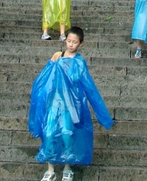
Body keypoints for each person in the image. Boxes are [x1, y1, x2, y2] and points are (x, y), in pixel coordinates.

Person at [29, 26, 113, 181]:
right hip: (54, 102)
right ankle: (50, 169)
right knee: (49, 133)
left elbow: (88, 86)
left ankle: (67, 166)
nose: (71, 44)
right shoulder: (57, 56)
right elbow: (45, 78)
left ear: (80, 44)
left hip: (70, 105)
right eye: (69, 41)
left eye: (75, 42)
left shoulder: (79, 62)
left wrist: (101, 113)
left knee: (67, 133)